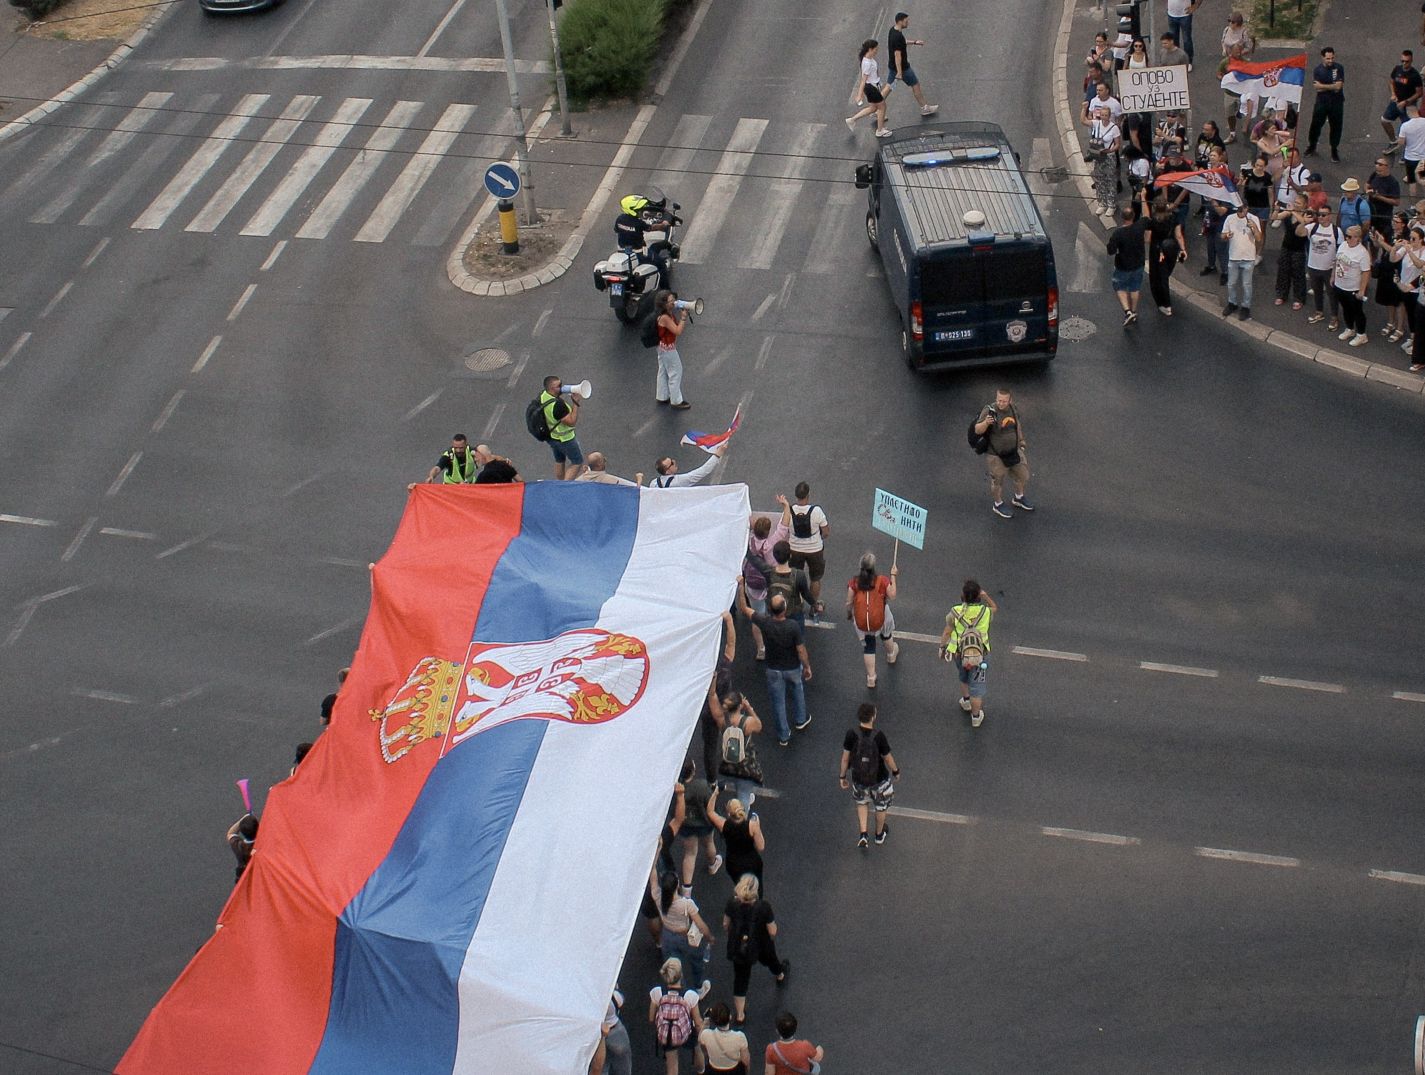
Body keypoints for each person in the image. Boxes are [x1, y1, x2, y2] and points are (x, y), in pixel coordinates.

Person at [735, 583, 811, 746]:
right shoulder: (793, 626)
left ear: (770, 609)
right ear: (784, 609)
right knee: (798, 691)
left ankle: (784, 735)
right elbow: (801, 650)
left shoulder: (765, 622)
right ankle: (801, 719)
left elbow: (744, 608)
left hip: (773, 669)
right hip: (792, 667)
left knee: (778, 702)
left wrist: (741, 587)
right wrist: (807, 667)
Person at [722, 873, 787, 1026]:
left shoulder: (732, 903)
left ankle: (740, 1015)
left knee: (741, 979)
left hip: (740, 946)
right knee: (771, 959)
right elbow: (772, 931)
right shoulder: (763, 907)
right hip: (761, 942)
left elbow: (725, 924)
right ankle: (780, 974)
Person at [838, 702, 900, 848]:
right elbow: (887, 758)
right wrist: (896, 771)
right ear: (873, 717)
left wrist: (842, 776)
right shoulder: (878, 736)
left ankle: (863, 834)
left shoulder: (851, 734)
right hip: (879, 780)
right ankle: (879, 835)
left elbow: (845, 758)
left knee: (862, 802)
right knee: (881, 807)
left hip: (859, 778)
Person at [940, 578, 998, 728]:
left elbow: (947, 631)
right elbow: (994, 608)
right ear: (978, 595)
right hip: (980, 655)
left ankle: (966, 701)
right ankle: (976, 716)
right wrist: (986, 596)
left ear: (963, 596)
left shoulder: (955, 611)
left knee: (964, 676)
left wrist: (942, 647)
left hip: (960, 654)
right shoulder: (985, 612)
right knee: (977, 688)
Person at [743, 497, 792, 659]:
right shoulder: (771, 544)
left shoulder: (747, 542)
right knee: (775, 613)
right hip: (771, 584)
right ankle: (776, 641)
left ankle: (761, 649)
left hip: (753, 586)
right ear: (768, 532)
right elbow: (784, 526)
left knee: (757, 617)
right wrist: (786, 506)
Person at [656, 871, 715, 997]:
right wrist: (709, 937)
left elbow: (652, 878)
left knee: (673, 967)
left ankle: (679, 991)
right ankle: (699, 988)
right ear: (677, 885)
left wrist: (653, 863)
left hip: (667, 936)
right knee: (696, 961)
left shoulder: (657, 896)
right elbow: (700, 925)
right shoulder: (686, 904)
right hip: (686, 937)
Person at [974, 388, 1031, 518]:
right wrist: (986, 423)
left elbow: (1017, 425)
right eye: (999, 400)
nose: (1001, 403)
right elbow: (977, 430)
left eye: (1004, 401)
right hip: (996, 455)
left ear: (1010, 400)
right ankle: (998, 504)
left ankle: (1018, 497)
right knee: (998, 481)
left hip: (1014, 451)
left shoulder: (1013, 408)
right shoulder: (989, 410)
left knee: (1023, 475)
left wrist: (1021, 441)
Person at [846, 552, 898, 688]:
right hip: (880, 615)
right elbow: (892, 595)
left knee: (869, 646)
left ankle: (871, 677)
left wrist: (850, 614)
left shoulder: (854, 583)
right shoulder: (882, 581)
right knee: (886, 634)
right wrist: (893, 575)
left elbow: (849, 603)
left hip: (863, 621)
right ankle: (891, 654)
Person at [649, 958, 704, 1075]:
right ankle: (701, 1070)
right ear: (681, 975)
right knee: (697, 1049)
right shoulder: (690, 995)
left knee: (672, 1065)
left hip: (667, 1033)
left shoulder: (657, 992)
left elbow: (651, 1018)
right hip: (687, 1031)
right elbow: (698, 1022)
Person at [678, 758, 723, 892]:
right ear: (692, 771)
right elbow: (711, 805)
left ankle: (687, 889)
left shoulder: (678, 789)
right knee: (709, 843)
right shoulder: (702, 786)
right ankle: (712, 864)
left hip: (686, 825)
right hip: (704, 823)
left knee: (689, 854)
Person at [707, 789, 765, 891]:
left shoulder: (723, 825)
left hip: (733, 863)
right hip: (751, 861)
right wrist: (758, 826)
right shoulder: (752, 826)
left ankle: (741, 895)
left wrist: (715, 793)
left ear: (728, 813)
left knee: (739, 885)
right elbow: (761, 847)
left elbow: (710, 812)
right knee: (755, 886)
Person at [714, 692, 764, 807]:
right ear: (740, 706)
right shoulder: (747, 722)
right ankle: (740, 816)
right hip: (744, 768)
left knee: (733, 782)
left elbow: (712, 696)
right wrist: (749, 708)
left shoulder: (722, 720)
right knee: (743, 796)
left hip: (728, 765)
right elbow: (759, 726)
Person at [787, 482, 828, 614]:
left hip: (795, 549)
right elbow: (826, 532)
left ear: (796, 495)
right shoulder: (816, 511)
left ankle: (796, 605)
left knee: (795, 577)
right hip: (815, 550)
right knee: (815, 579)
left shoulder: (789, 511)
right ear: (808, 495)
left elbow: (784, 528)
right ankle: (813, 606)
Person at [885, 12, 938, 116]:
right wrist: (900, 72)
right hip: (903, 68)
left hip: (892, 67)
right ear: (900, 21)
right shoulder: (897, 36)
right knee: (915, 85)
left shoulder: (893, 31)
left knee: (889, 87)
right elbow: (897, 55)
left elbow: (902, 41)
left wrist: (914, 42)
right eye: (906, 21)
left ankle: (876, 109)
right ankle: (925, 108)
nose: (908, 22)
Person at [1146, 192, 1188, 316]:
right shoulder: (1174, 217)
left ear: (1154, 207)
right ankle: (1166, 303)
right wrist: (1183, 249)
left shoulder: (1153, 221)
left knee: (1157, 278)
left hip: (1157, 251)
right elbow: (1179, 235)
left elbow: (1147, 239)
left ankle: (1164, 303)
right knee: (1165, 275)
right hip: (1171, 250)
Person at [1220, 200, 1263, 320]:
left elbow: (1259, 238)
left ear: (1247, 208)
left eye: (1243, 209)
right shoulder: (1230, 218)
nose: (1241, 212)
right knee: (1231, 283)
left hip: (1248, 257)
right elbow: (1222, 235)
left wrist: (1254, 227)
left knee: (1246, 284)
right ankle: (1232, 303)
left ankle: (1246, 307)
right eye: (1238, 209)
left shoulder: (1253, 218)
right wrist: (1226, 236)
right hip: (1234, 256)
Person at [1301, 205, 1344, 327]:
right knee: (1317, 291)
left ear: (1330, 216)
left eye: (1323, 215)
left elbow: (1340, 251)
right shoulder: (1312, 227)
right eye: (1318, 214)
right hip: (1313, 266)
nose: (1320, 217)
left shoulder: (1336, 231)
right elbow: (1299, 233)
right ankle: (1319, 312)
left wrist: (1336, 269)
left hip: (1329, 269)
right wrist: (1303, 222)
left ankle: (1334, 317)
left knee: (1332, 294)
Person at [1106, 203, 1148, 325]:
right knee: (1135, 287)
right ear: (1133, 216)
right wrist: (1143, 197)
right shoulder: (1140, 227)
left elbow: (1111, 251)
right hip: (1139, 264)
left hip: (1123, 266)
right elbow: (1146, 216)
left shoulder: (1118, 233)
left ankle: (1128, 312)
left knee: (1119, 286)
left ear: (1122, 217)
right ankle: (1134, 311)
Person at [1371, 214, 1410, 342]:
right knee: (1388, 298)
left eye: (1396, 221)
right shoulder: (1389, 230)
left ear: (1403, 224)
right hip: (1385, 267)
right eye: (1392, 220)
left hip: (1398, 270)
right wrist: (1375, 240)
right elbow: (1379, 246)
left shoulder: (1406, 237)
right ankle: (1390, 322)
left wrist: (1382, 242)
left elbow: (1395, 251)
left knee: (1398, 300)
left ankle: (1400, 328)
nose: (1393, 223)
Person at [1332, 225, 1373, 347]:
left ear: (1358, 238)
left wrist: (1362, 290)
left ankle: (1361, 335)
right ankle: (1350, 328)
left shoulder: (1362, 253)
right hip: (1340, 285)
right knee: (1346, 308)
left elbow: (1366, 272)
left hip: (1353, 288)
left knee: (1357, 311)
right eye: (1346, 236)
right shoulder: (1343, 245)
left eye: (1350, 237)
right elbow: (1337, 261)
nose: (1347, 238)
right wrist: (1333, 276)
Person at [538, 375, 585, 480]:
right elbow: (571, 422)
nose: (562, 387)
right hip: (565, 439)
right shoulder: (558, 405)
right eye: (558, 386)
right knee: (577, 462)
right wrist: (575, 403)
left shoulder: (544, 396)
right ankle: (564, 486)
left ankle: (559, 483)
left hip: (552, 436)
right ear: (552, 389)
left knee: (559, 460)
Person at [614, 193, 672, 277]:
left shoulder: (620, 219)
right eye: (638, 209)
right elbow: (650, 228)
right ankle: (665, 285)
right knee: (661, 264)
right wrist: (663, 225)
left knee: (654, 247)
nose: (640, 210)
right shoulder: (638, 223)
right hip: (639, 254)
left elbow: (616, 230)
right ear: (632, 210)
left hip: (622, 252)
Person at [1220, 13, 1257, 145]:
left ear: (1238, 23)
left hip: (1241, 65)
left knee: (1244, 101)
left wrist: (1238, 53)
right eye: (1229, 21)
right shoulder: (1226, 30)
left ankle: (1245, 123)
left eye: (1232, 22)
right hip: (1229, 62)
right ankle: (1232, 131)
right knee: (1229, 107)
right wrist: (1225, 51)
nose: (1230, 24)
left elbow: (1250, 47)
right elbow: (1223, 41)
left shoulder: (1244, 33)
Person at [1305, 46, 1345, 161]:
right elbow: (1317, 88)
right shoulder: (1318, 70)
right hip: (1321, 103)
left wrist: (1323, 86)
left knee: (1336, 127)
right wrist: (1331, 86)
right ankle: (1312, 146)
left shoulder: (1338, 68)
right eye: (1328, 58)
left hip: (1336, 103)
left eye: (1332, 58)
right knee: (1315, 125)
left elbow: (1338, 87)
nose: (1330, 61)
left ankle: (1334, 149)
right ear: (1322, 57)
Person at [655, 290, 692, 410]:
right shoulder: (665, 318)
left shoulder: (666, 314)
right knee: (676, 371)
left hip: (662, 347)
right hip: (668, 348)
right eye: (671, 301)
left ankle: (662, 395)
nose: (674, 303)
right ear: (664, 304)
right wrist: (683, 318)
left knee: (663, 370)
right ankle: (676, 400)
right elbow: (677, 331)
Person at [846, 39, 892, 138]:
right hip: (871, 88)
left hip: (872, 87)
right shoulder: (867, 63)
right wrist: (859, 95)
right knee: (882, 107)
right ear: (870, 49)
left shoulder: (868, 59)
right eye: (876, 49)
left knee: (873, 108)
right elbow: (863, 80)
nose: (877, 51)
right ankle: (880, 130)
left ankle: (852, 120)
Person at [1272, 194, 1310, 310]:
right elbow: (1275, 217)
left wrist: (1293, 211)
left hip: (1298, 248)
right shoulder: (1288, 213)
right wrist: (1276, 209)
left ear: (1305, 205)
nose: (1296, 204)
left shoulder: (1307, 214)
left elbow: (1303, 221)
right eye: (1295, 202)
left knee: (1298, 273)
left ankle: (1299, 298)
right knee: (1283, 271)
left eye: (1299, 203)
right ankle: (1281, 294)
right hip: (1286, 246)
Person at [1084, 104, 1122, 218]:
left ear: (1109, 116)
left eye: (1106, 115)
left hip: (1109, 156)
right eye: (1102, 115)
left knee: (1110, 180)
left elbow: (1117, 144)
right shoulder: (1097, 124)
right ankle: (1102, 203)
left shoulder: (1114, 128)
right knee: (1099, 180)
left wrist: (1109, 150)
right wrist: (1083, 109)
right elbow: (1083, 121)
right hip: (1098, 157)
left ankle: (1111, 205)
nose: (1104, 117)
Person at [1382, 51, 1424, 152]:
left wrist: (1406, 102)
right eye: (1402, 61)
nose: (1404, 63)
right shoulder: (1397, 69)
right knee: (1384, 121)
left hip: (1409, 105)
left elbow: (1419, 93)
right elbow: (1391, 82)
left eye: (1407, 61)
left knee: (1410, 129)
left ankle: (1409, 151)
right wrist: (1393, 94)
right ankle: (1393, 142)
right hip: (1396, 102)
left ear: (1411, 61)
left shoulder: (1415, 75)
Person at [767, 542, 812, 630]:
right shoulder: (799, 575)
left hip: (776, 610)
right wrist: (814, 604)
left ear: (774, 556)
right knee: (797, 634)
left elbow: (756, 562)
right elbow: (806, 594)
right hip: (794, 611)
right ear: (790, 556)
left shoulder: (769, 573)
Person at [699, 1003, 752, 1075]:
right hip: (734, 1070)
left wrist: (706, 1022)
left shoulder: (706, 1035)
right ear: (730, 1017)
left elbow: (701, 1042)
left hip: (713, 1070)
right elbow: (746, 1060)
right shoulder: (739, 1037)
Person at [650, 442, 727, 488]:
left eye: (672, 460)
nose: (674, 461)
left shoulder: (653, 483)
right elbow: (703, 471)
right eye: (672, 463)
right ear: (667, 471)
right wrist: (717, 455)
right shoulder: (678, 481)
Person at [593, 990, 632, 1075]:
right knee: (623, 1068)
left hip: (596, 1034)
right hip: (615, 1030)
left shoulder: (588, 998)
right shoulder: (611, 995)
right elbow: (620, 1001)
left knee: (600, 1068)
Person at [1368, 156, 1403, 236]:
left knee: (1383, 237)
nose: (1377, 166)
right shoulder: (1374, 174)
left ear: (1387, 167)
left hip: (1384, 217)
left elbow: (1396, 202)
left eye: (1380, 165)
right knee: (1372, 236)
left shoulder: (1393, 183)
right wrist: (1367, 190)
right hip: (1371, 213)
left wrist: (1379, 197)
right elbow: (1367, 184)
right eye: (1376, 163)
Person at [1398, 104, 1425, 197]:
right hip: (1423, 158)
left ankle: (1413, 203)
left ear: (1408, 113)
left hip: (1410, 157)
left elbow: (1401, 142)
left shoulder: (1405, 126)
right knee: (1423, 180)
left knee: (1412, 182)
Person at [1165, 0, 1201, 69]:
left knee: (1186, 39)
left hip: (1185, 15)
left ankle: (1188, 61)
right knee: (1173, 39)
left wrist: (1195, 6)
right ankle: (1176, 60)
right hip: (1171, 14)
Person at [576, 451, 643, 487]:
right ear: (599, 465)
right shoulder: (611, 481)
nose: (605, 460)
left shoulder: (578, 481)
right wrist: (639, 479)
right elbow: (633, 493)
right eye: (603, 460)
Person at [226, 813, 257, 883]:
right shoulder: (262, 845)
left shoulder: (238, 846)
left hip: (243, 878)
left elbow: (231, 833)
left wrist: (242, 819)